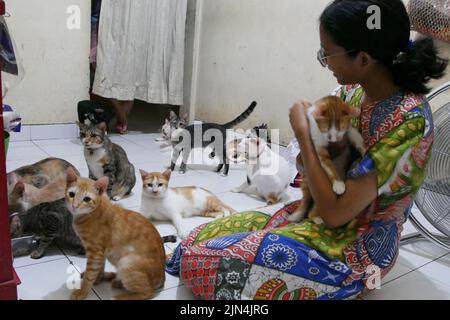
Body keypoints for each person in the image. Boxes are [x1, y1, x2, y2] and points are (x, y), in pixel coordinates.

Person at [165, 0, 448, 300]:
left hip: (355, 246)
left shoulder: (407, 121)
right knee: (195, 240)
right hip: (318, 214)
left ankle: (346, 285)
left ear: (363, 59)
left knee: (203, 262)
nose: (325, 61)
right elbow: (307, 166)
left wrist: (304, 134)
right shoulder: (353, 92)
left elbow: (337, 213)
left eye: (327, 53)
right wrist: (313, 146)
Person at [92, 0, 187, 134]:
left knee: (133, 64)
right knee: (103, 69)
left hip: (102, 21)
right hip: (101, 23)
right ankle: (122, 115)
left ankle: (122, 116)